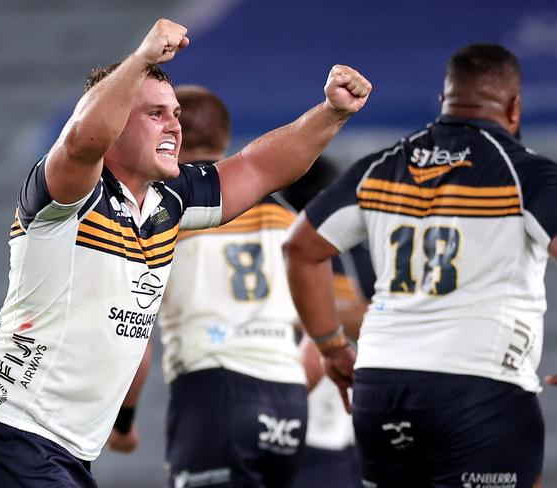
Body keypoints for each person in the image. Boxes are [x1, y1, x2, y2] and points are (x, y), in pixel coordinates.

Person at [0, 18, 371, 488]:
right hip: (6, 433)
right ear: (117, 121)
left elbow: (260, 167)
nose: (174, 127)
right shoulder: (70, 194)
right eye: (155, 114)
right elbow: (82, 136)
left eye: (176, 114)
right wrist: (141, 58)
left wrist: (330, 113)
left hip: (60, 450)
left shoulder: (172, 201)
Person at [284, 43, 557, 488]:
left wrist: (332, 348)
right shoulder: (525, 173)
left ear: (442, 103)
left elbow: (300, 249)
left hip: (380, 390)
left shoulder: (380, 168)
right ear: (513, 107)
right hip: (479, 389)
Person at [139, 84, 307, 487]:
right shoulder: (287, 216)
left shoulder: (162, 211)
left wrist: (125, 420)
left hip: (213, 387)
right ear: (225, 138)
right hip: (289, 393)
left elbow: (132, 330)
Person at [282, 158, 374, 488]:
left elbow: (382, 318)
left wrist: (311, 317)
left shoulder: (357, 252)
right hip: (309, 418)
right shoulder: (348, 249)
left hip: (335, 423)